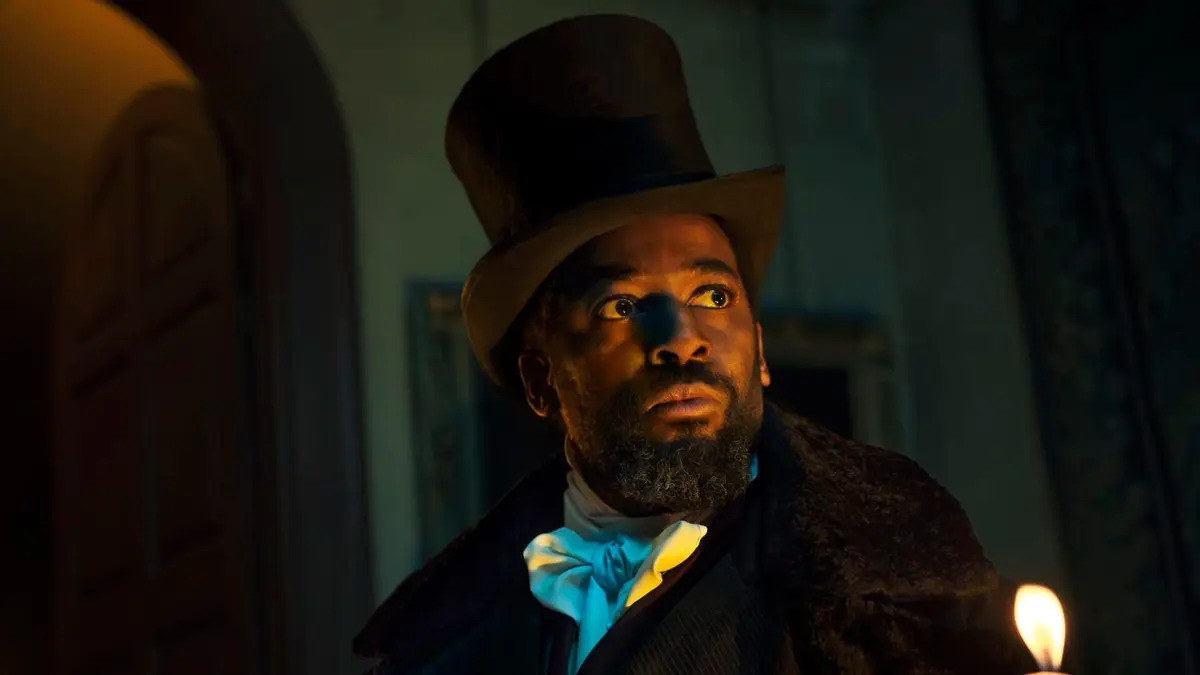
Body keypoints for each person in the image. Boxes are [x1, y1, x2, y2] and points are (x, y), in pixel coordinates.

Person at [354, 14, 1036, 675]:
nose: (681, 342)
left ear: (759, 349)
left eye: (712, 297)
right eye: (622, 307)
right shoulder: (453, 640)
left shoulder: (906, 589)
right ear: (541, 380)